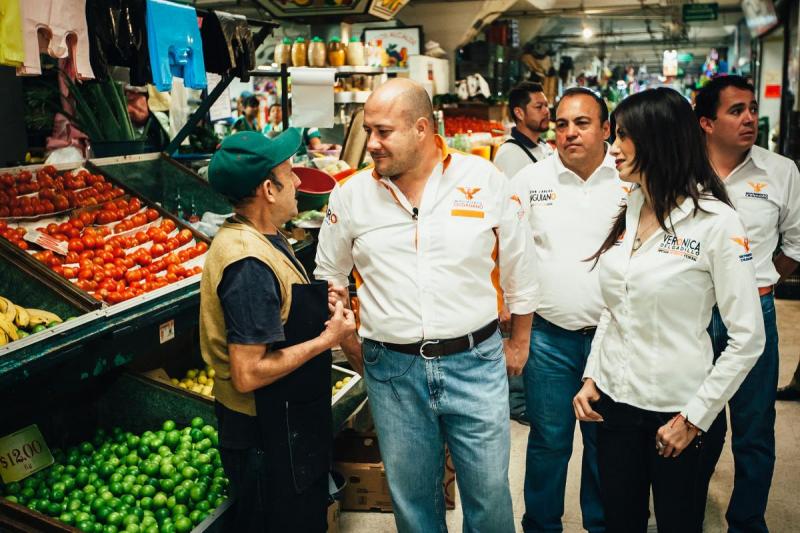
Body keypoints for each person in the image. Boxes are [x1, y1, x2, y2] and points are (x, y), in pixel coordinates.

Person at [315, 78, 538, 533]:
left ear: (421, 128)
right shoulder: (351, 195)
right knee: (412, 498)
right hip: (392, 370)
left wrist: (521, 341)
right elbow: (331, 277)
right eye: (369, 131)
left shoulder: (483, 180)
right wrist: (355, 344)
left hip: (476, 361)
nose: (371, 144)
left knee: (489, 494)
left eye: (382, 132)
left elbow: (521, 267)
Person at [574, 87, 766, 533]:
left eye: (623, 136)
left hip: (678, 412)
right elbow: (616, 307)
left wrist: (694, 418)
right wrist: (592, 375)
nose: (613, 148)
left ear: (658, 141)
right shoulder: (632, 206)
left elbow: (747, 337)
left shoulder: (717, 223)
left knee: (679, 523)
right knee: (620, 522)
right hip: (617, 406)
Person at [199, 129, 356, 532]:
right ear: (269, 189)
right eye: (291, 173)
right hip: (265, 433)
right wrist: (328, 339)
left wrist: (318, 300)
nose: (300, 182)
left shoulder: (264, 238)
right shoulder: (247, 264)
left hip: (286, 423)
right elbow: (248, 372)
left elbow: (280, 308)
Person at [510, 87, 622, 533]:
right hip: (548, 337)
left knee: (604, 442)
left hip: (612, 338)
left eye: (582, 122)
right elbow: (509, 252)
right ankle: (541, 525)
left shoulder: (629, 176)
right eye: (561, 124)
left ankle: (602, 524)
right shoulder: (531, 181)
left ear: (606, 129)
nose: (570, 132)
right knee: (549, 441)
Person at [695, 75, 800, 532]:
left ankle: (747, 519)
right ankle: (687, 506)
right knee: (697, 418)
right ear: (706, 122)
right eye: (736, 110)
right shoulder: (682, 170)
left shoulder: (781, 171)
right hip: (695, 316)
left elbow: (794, 246)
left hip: (756, 313)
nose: (750, 118)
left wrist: (760, 282)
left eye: (752, 108)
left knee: (754, 426)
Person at [493, 81, 553, 179]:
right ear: (519, 113)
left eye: (546, 105)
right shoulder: (510, 154)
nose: (546, 111)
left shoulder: (546, 147)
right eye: (539, 107)